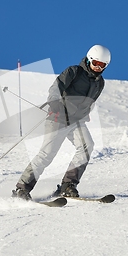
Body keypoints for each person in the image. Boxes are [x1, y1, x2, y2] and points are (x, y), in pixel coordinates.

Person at [12, 45, 111, 200]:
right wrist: (54, 103)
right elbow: (55, 88)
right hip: (58, 117)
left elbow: (91, 102)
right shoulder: (74, 72)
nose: (98, 67)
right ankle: (21, 189)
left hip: (75, 121)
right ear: (89, 59)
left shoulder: (100, 83)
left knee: (87, 146)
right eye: (96, 63)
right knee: (47, 154)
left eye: (102, 65)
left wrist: (86, 113)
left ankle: (68, 186)